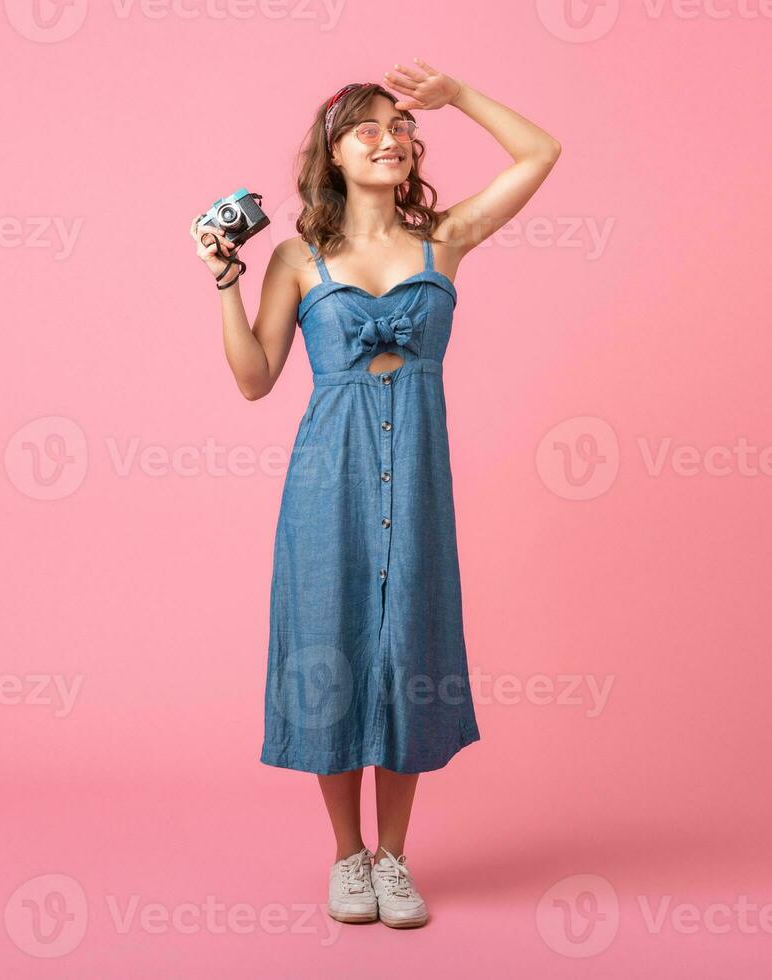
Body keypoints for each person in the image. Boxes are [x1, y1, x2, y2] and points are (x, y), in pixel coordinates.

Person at [190, 59, 561, 928]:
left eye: (401, 127)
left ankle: (394, 858)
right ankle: (346, 857)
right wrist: (223, 280)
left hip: (419, 477)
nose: (391, 138)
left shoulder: (447, 239)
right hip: (329, 479)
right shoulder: (294, 257)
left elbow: (541, 152)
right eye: (369, 128)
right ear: (334, 152)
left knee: (409, 655)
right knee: (332, 651)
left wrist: (460, 96)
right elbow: (254, 379)